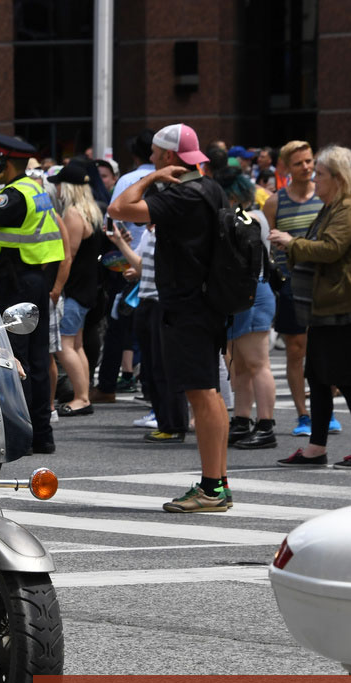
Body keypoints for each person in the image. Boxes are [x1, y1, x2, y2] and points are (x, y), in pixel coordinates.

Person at [108, 123, 231, 513]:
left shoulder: (183, 195)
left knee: (201, 392)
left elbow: (119, 208)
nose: (152, 161)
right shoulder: (209, 187)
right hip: (208, 301)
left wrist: (151, 180)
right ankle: (218, 482)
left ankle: (212, 488)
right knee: (207, 391)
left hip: (188, 304)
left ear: (169, 158)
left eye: (157, 157)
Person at [270, 146, 351, 469]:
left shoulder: (349, 207)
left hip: (347, 302)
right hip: (327, 303)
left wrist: (293, 243)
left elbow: (332, 249)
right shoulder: (333, 206)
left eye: (319, 173)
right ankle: (315, 447)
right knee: (318, 377)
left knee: (347, 379)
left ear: (337, 177)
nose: (313, 178)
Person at [0, 134, 67, 454]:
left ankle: (19, 435)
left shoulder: (11, 197)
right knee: (38, 360)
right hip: (34, 280)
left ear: (3, 163)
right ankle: (42, 434)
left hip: (15, 282)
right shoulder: (36, 190)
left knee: (15, 359)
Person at [262, 140, 335, 437]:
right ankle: (303, 414)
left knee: (326, 348)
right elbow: (267, 246)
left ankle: (325, 410)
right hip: (291, 283)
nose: (306, 167)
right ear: (285, 168)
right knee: (295, 350)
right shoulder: (274, 202)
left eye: (309, 161)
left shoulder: (327, 198)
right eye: (299, 163)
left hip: (324, 282)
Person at [217, 169, 278, 450]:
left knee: (257, 364)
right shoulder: (249, 216)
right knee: (241, 365)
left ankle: (266, 425)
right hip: (246, 293)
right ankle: (242, 420)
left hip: (252, 292)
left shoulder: (245, 217)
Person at [49, 159, 103, 418]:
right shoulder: (90, 212)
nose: (56, 190)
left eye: (58, 185)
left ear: (67, 188)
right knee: (76, 344)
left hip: (74, 289)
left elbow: (66, 256)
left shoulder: (72, 214)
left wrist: (57, 287)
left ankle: (82, 397)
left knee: (64, 346)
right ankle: (83, 394)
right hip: (86, 288)